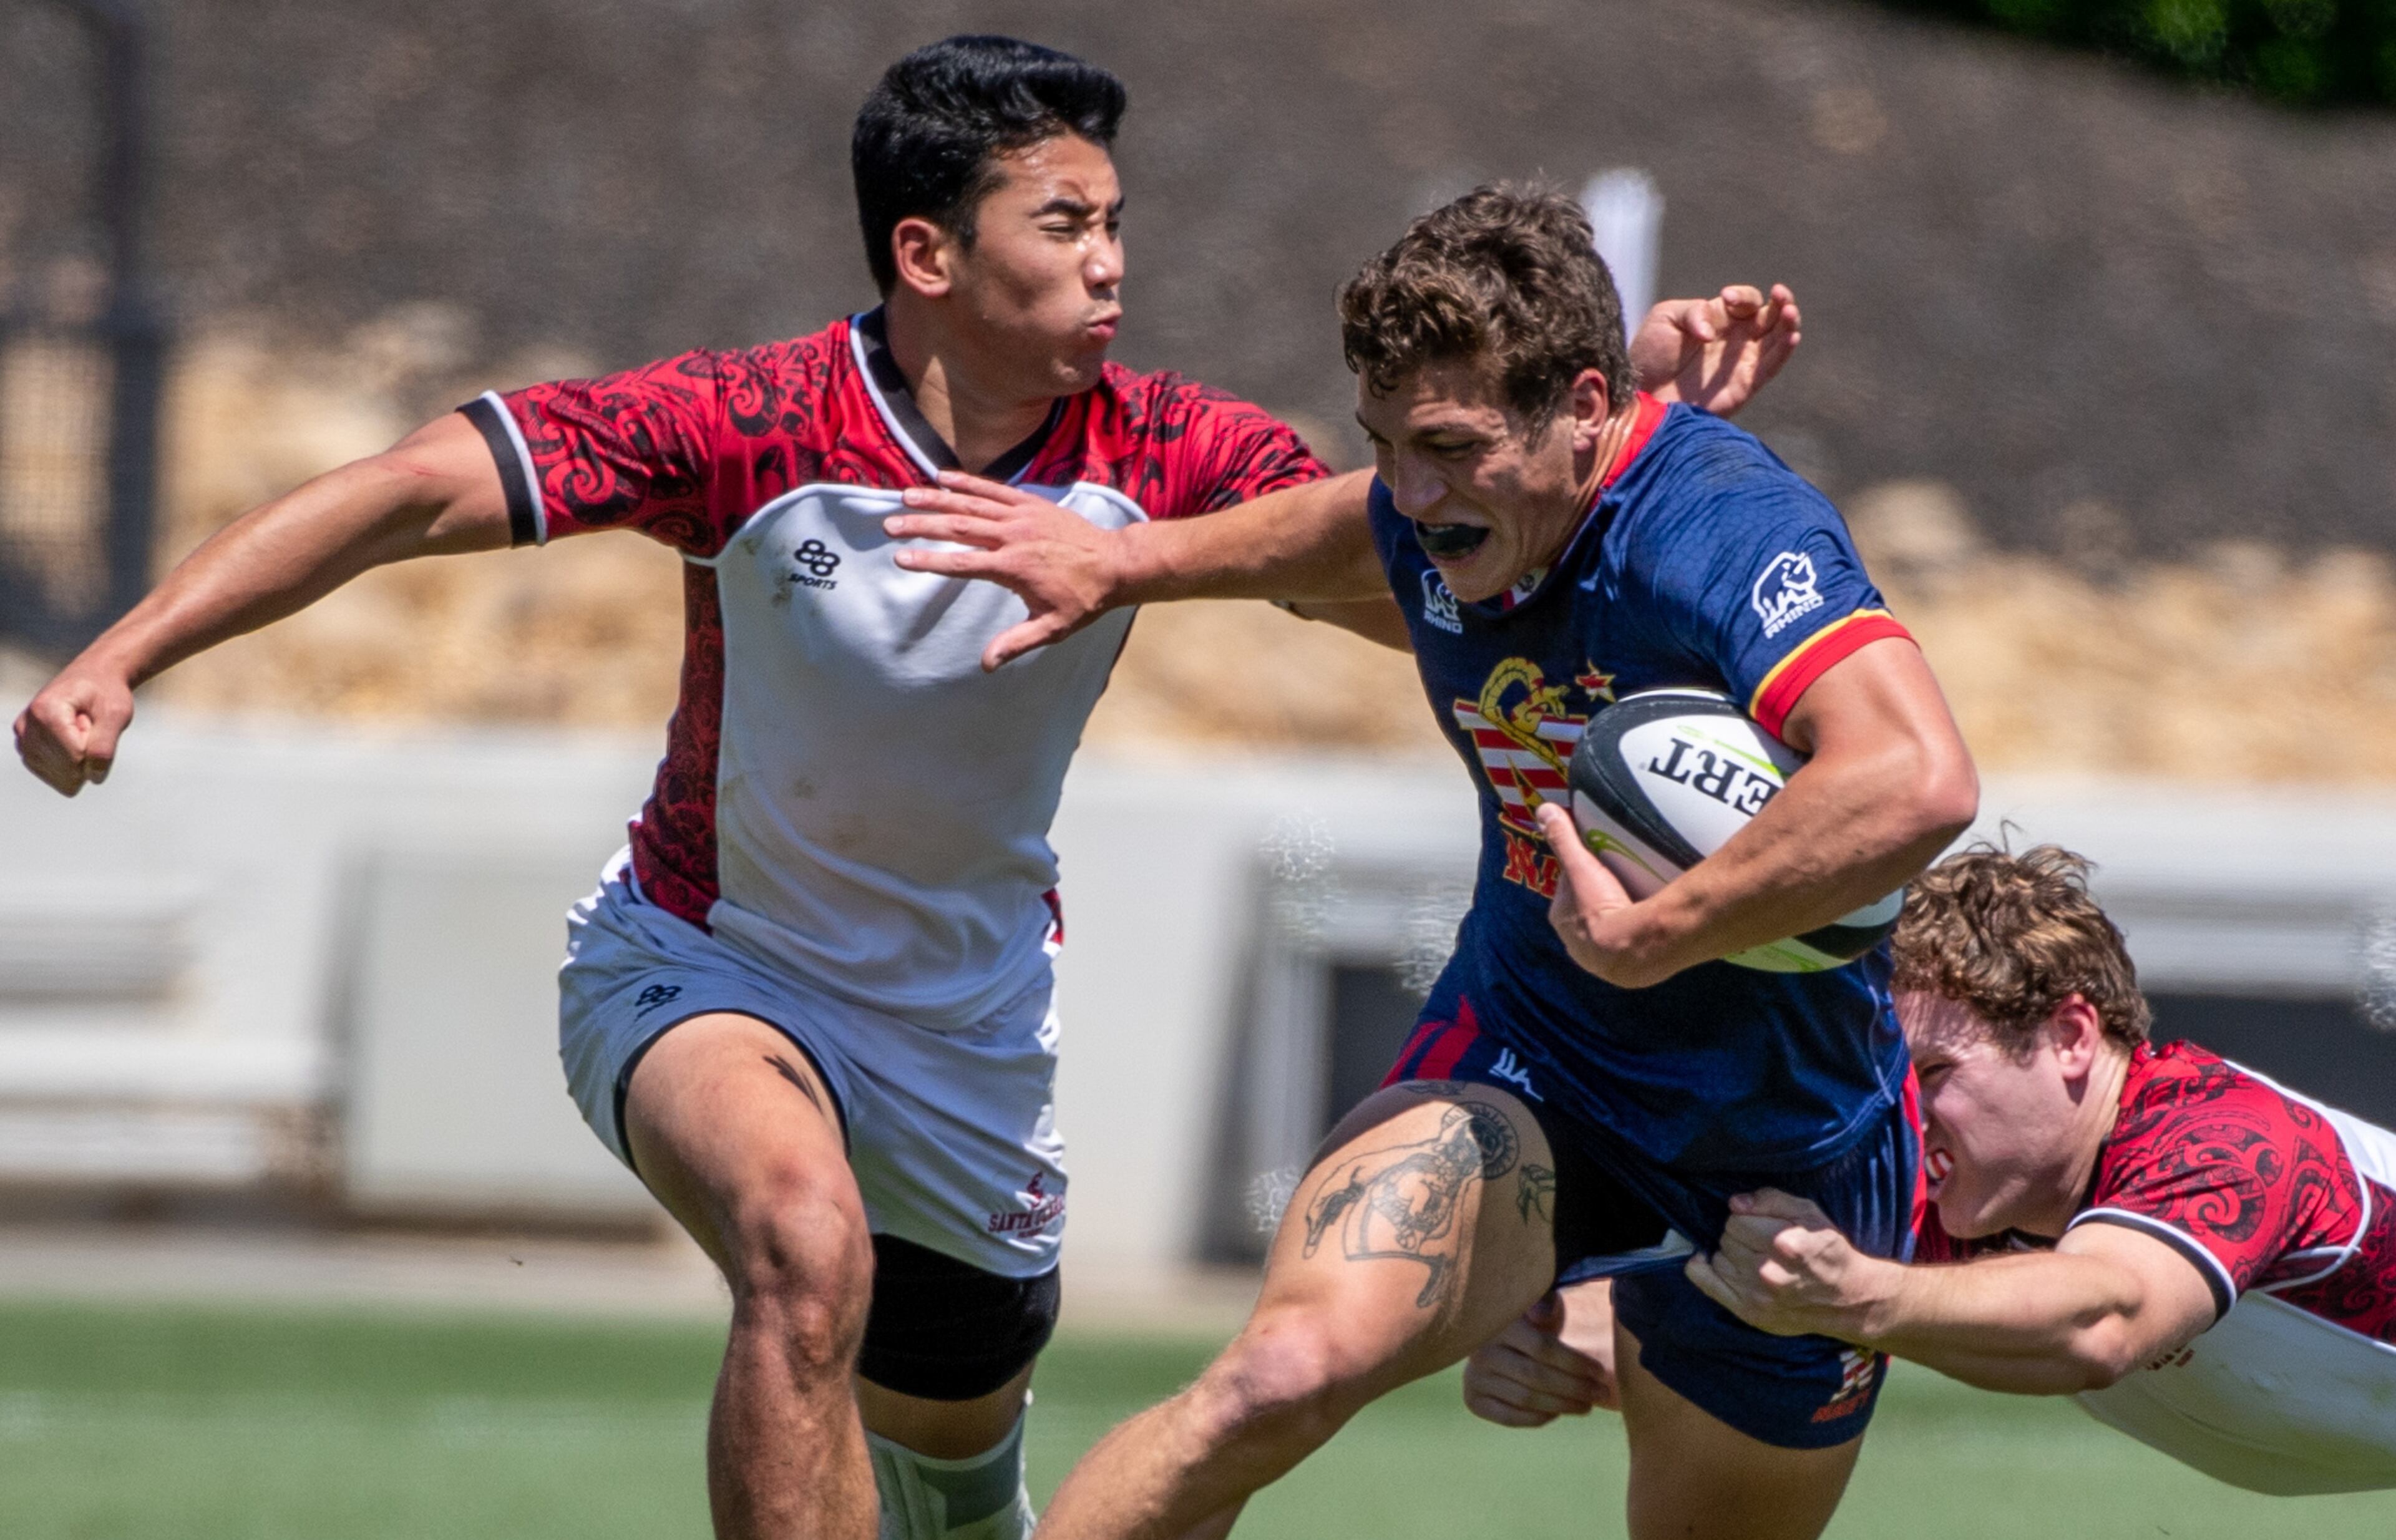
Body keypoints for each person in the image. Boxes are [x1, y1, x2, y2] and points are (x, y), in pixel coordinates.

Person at [11, 38, 1799, 1540]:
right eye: (1069, 221)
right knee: (801, 1243)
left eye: (1119, 222)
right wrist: (125, 649)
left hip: (966, 1048)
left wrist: (1616, 433)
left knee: (956, 1467)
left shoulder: (1177, 459)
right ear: (931, 255)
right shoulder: (754, 421)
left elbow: (1446, 540)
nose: (1114, 259)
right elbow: (414, 485)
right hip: (703, 964)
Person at [1020, 185, 1977, 1540]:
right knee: (1275, 1379)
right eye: (1390, 445)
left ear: (1586, 408)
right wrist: (1127, 566)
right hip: (1533, 1062)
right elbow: (1351, 526)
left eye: (1452, 448)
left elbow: (1917, 779)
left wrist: (1669, 928)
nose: (1416, 494)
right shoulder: (1442, 507)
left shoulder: (1722, 529)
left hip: (1785, 1144)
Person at [1673, 844, 2396, 1495]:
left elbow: (2100, 1320)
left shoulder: (2226, 1137)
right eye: (1879, 1082)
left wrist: (1855, 1296)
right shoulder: (1966, 1192)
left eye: (1933, 1069)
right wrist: (1570, 1332)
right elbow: (1718, 1307)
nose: (1901, 1114)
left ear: (2070, 1035)